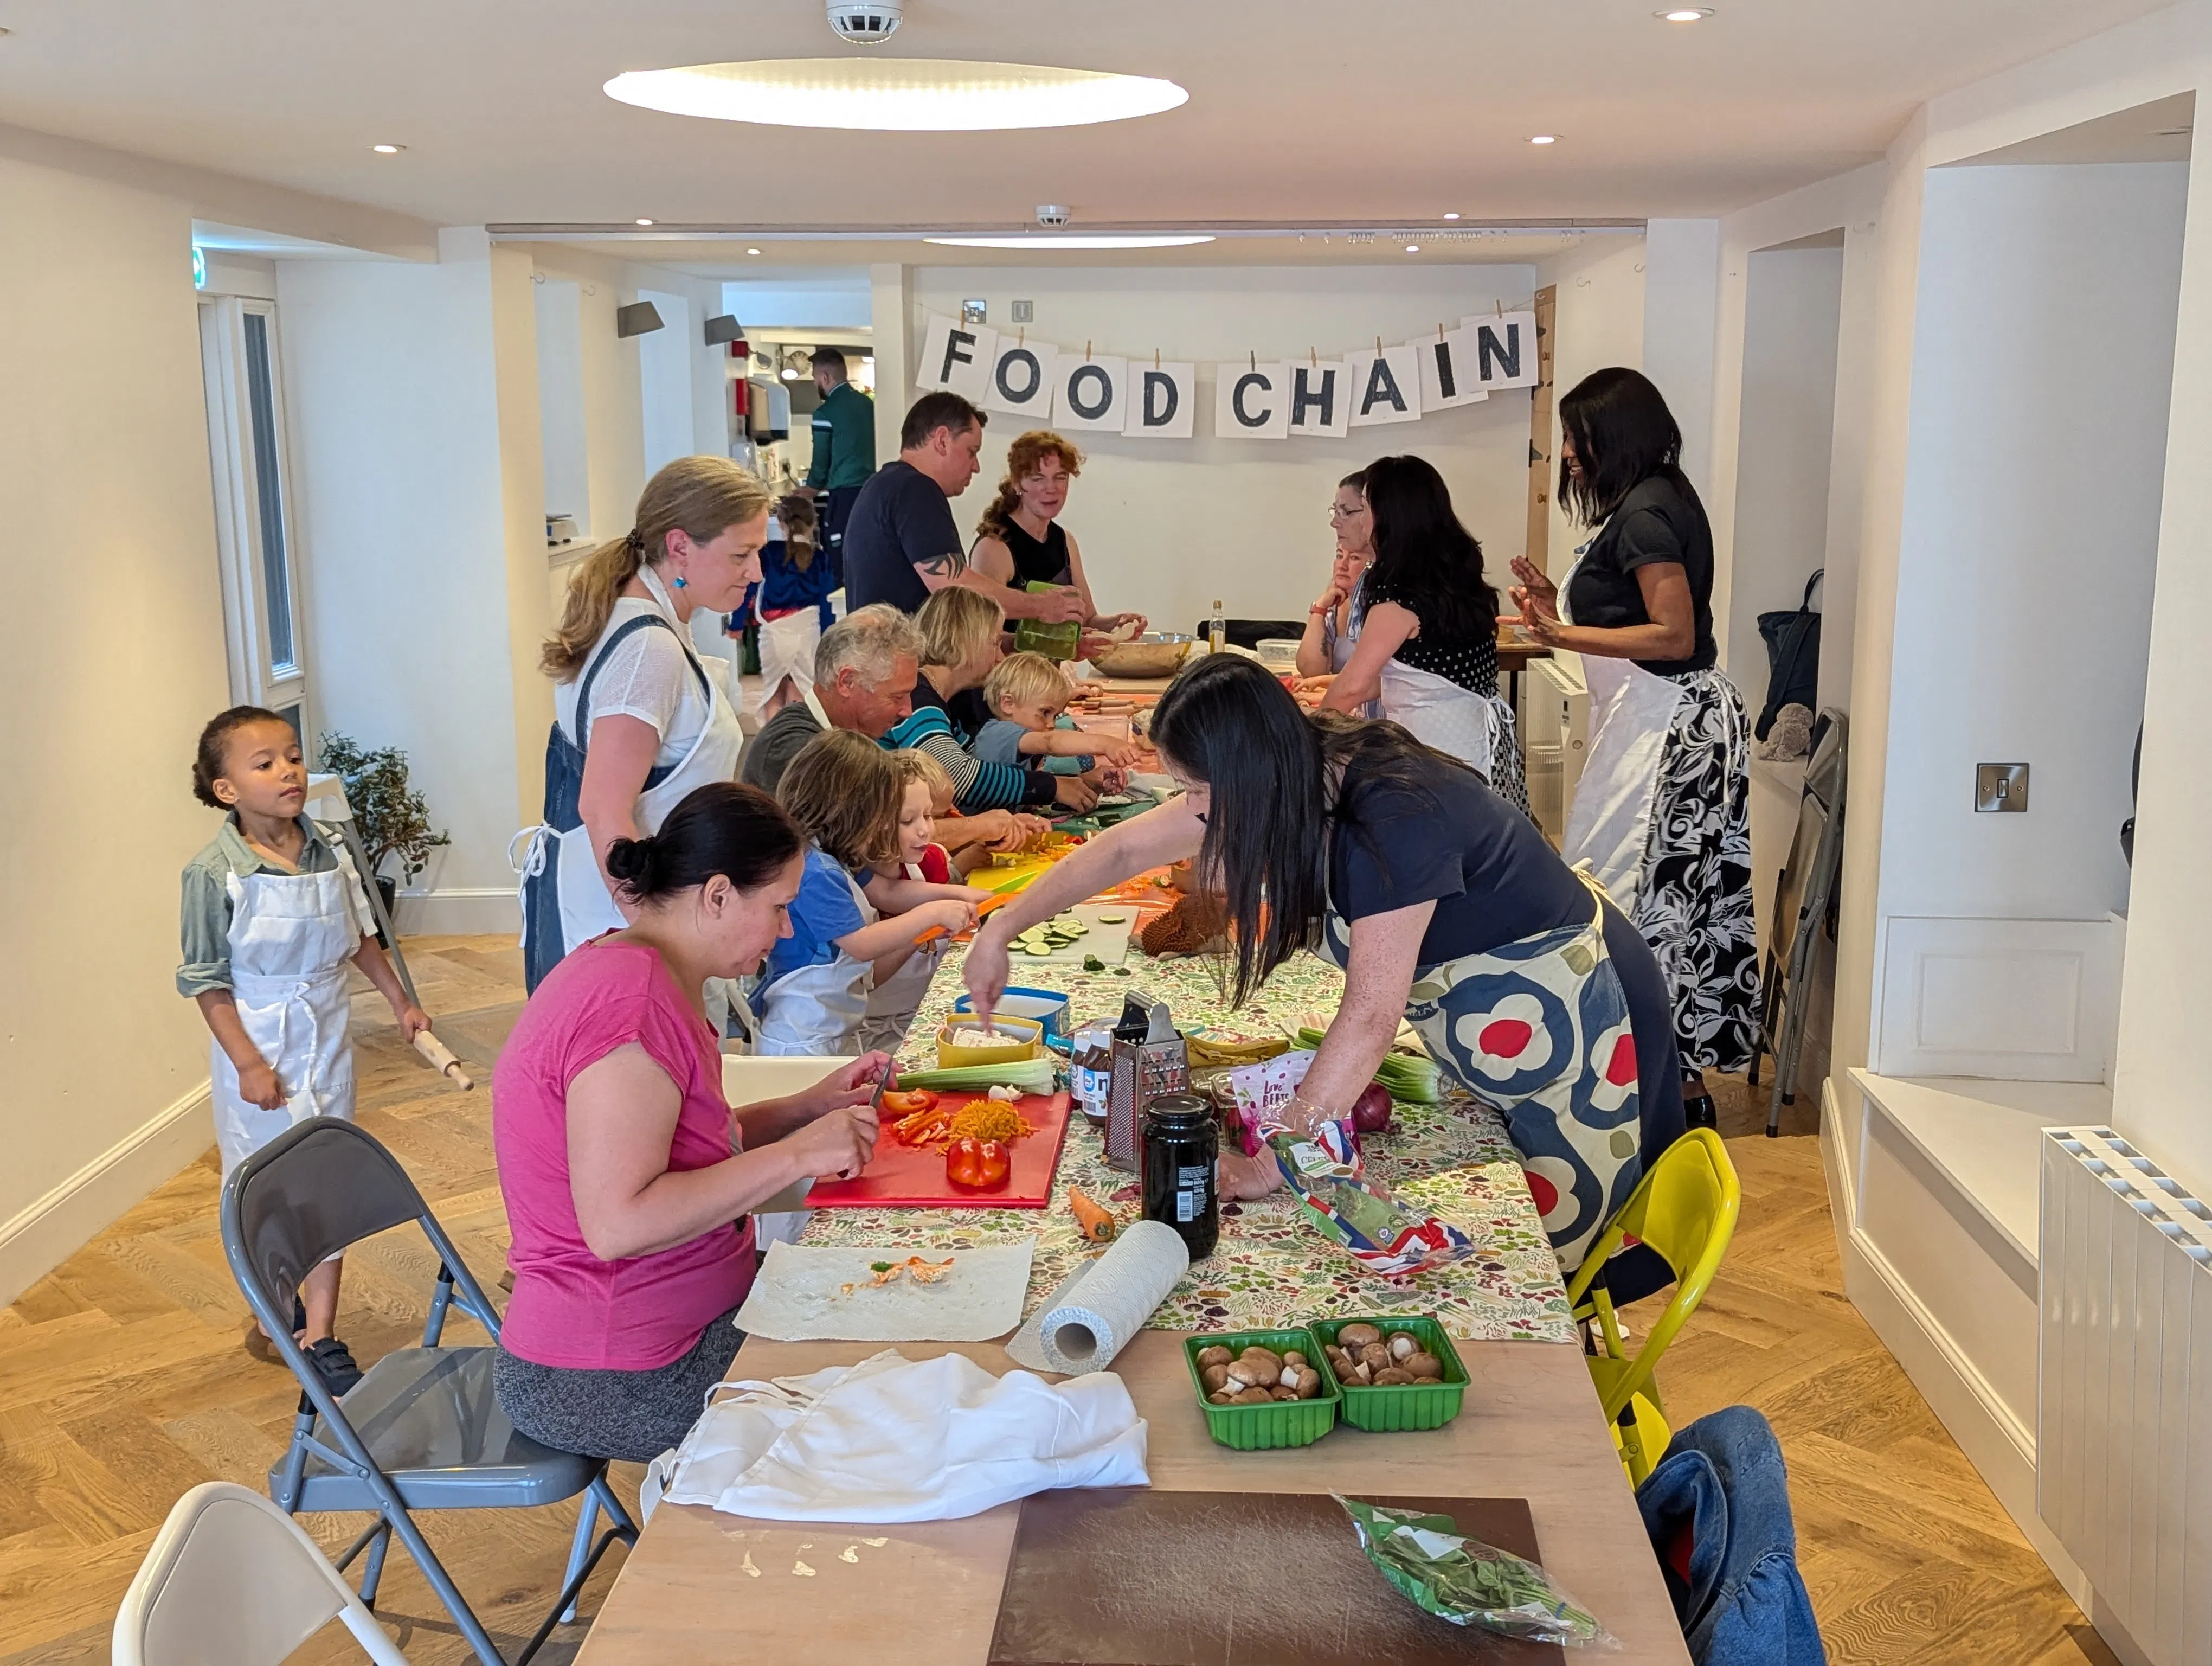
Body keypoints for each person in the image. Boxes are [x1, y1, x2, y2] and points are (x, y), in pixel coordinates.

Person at [965, 655, 1686, 1286]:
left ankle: (1577, 1393)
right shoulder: (1298, 768)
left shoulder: (1390, 818)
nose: (1191, 813)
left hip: (1578, 1010)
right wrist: (1002, 928)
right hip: (1505, 1014)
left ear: (1250, 775)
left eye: (1197, 792)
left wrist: (1273, 1160)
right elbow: (1124, 851)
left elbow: (1371, 1016)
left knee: (1567, 1248)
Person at [491, 783, 887, 1463]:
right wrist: (795, 1157)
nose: (786, 930)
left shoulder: (647, 972)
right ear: (718, 895)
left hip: (663, 1327)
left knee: (886, 1307)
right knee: (883, 1401)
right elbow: (620, 1224)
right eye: (780, 908)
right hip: (613, 1372)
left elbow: (683, 1147)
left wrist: (807, 1109)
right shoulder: (629, 1009)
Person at [1509, 367, 1756, 1129]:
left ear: (1612, 435)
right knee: (1638, 899)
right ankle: (1657, 1090)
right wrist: (1558, 609)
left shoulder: (1648, 512)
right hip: (1650, 718)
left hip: (1669, 726)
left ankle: (1660, 1103)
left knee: (1638, 904)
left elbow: (1673, 634)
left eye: (1578, 439)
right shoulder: (1648, 501)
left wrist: (1558, 633)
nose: (1571, 456)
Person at [179, 707, 434, 1396]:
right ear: (226, 789)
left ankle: (320, 1330)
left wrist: (400, 1003)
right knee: (270, 1186)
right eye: (263, 763)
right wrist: (249, 1064)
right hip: (259, 1044)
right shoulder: (214, 874)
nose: (287, 770)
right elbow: (206, 983)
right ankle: (275, 1309)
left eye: (292, 756)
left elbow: (359, 938)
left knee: (328, 1179)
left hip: (326, 1035)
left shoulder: (326, 848)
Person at [520, 457, 767, 994]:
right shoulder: (648, 650)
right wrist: (656, 937)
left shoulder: (639, 623)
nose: (756, 573)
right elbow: (603, 807)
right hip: (616, 921)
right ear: (679, 546)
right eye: (742, 555)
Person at [1320, 455, 1526, 812]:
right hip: (1476, 747)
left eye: (1363, 508)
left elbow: (1352, 686)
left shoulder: (1398, 594)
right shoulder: (1450, 576)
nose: (1355, 519)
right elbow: (1416, 676)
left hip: (1438, 755)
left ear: (1389, 516)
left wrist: (1304, 735)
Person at [756, 731, 979, 1055]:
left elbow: (888, 892)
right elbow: (861, 945)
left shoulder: (835, 856)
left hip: (833, 1026)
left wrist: (968, 896)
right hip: (803, 1036)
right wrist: (931, 915)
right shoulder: (815, 870)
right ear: (851, 810)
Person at [840, 392, 1087, 626]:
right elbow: (954, 588)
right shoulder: (916, 489)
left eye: (1060, 478)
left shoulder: (884, 484)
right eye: (972, 452)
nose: (976, 466)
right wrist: (1041, 607)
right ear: (942, 440)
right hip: (895, 662)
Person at [881, 586, 1099, 816]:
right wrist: (1050, 787)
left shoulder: (939, 698)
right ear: (967, 641)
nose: (1000, 657)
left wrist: (1073, 782)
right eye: (995, 643)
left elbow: (978, 760)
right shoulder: (919, 699)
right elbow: (956, 778)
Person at [858, 751, 1000, 1052]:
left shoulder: (917, 864)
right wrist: (926, 923)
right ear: (872, 824)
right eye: (908, 820)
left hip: (924, 1012)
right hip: (877, 1033)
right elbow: (868, 978)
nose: (925, 829)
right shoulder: (857, 888)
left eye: (928, 816)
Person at [968, 431, 1147, 642]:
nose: (1051, 489)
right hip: (1008, 674)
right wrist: (1057, 644)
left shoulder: (1065, 541)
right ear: (1017, 484)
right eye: (1038, 478)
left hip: (1051, 673)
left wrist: (1116, 625)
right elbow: (984, 639)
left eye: (1060, 477)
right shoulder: (994, 547)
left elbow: (1088, 619)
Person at [740, 603, 920, 796]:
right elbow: (872, 824)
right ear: (847, 682)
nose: (907, 711)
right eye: (897, 697)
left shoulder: (840, 737)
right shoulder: (795, 750)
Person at [731, 494, 836, 721]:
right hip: (809, 632)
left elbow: (748, 589)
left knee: (773, 691)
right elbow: (827, 603)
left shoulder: (768, 554)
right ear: (813, 523)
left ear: (780, 524)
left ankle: (772, 746)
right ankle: (802, 743)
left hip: (773, 632)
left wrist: (737, 623)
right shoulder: (820, 559)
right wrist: (829, 637)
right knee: (805, 689)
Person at [974, 650, 1143, 786]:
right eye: (1045, 712)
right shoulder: (998, 734)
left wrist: (1086, 782)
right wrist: (1107, 744)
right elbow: (1050, 742)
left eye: (1055, 715)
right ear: (1008, 704)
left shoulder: (1024, 744)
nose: (1052, 724)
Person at [1295, 473, 1377, 717]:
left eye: (1345, 511)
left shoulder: (1389, 593)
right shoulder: (1341, 598)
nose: (1335, 523)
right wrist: (1319, 609)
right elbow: (1310, 669)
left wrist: (1320, 713)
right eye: (1335, 511)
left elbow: (1373, 683)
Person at [802, 348, 874, 586]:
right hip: (871, 494)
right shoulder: (869, 406)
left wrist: (809, 490)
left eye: (815, 377)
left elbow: (821, 462)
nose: (815, 383)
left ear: (825, 378)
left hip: (843, 498)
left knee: (841, 565)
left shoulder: (825, 412)